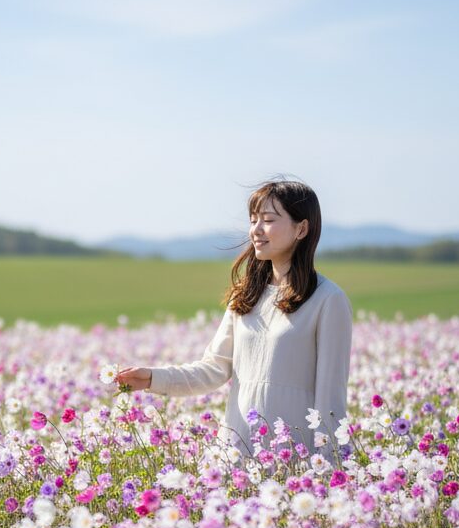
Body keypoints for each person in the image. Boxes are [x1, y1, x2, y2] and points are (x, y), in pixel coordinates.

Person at [116, 176, 353, 464]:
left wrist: (329, 469)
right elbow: (212, 370)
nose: (256, 230)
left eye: (268, 220)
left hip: (297, 460)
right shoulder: (247, 296)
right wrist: (153, 377)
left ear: (301, 228)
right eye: (253, 220)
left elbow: (331, 399)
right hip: (238, 456)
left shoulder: (328, 300)